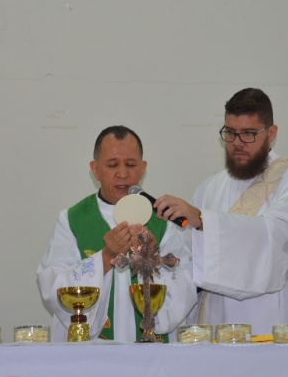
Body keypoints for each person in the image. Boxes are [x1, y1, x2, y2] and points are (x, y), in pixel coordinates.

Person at [153, 88, 288, 335]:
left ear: (271, 134)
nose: (237, 143)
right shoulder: (209, 188)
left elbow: (278, 235)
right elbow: (186, 256)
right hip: (214, 315)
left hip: (271, 315)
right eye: (230, 133)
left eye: (248, 134)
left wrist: (203, 221)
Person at [37, 126, 197, 342]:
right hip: (92, 357)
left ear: (143, 168)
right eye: (112, 165)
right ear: (95, 170)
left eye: (131, 165)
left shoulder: (165, 220)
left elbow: (185, 292)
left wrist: (152, 255)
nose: (123, 174)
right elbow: (53, 287)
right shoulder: (72, 220)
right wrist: (104, 258)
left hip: (153, 357)